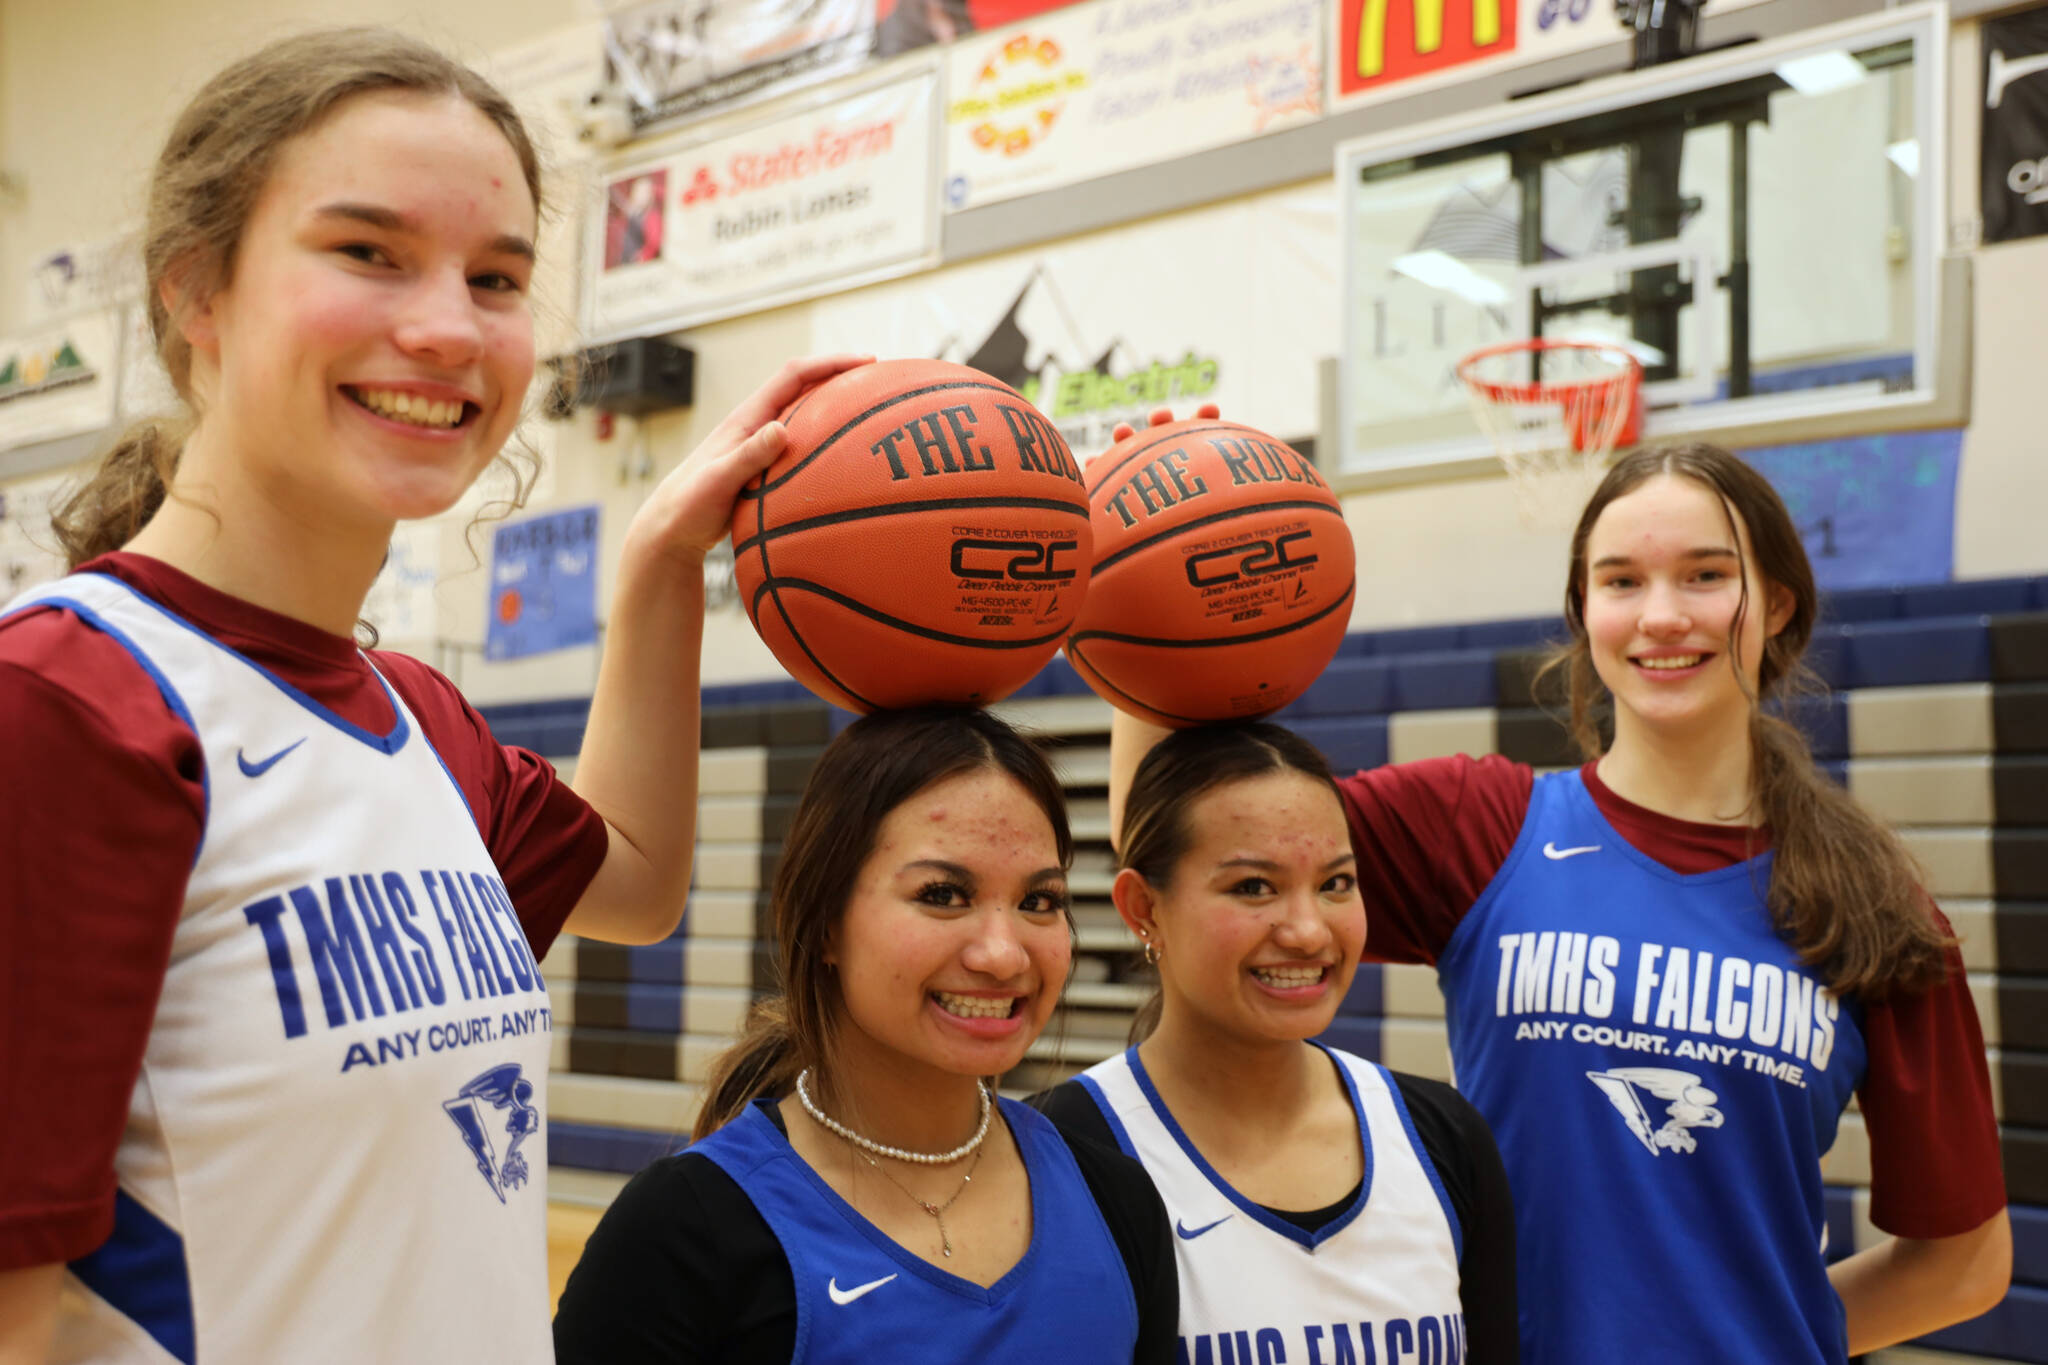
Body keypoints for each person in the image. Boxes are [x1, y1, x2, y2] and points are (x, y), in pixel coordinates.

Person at [0, 27, 866, 1363]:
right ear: (195, 293)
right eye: (368, 252)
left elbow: (631, 881)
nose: (450, 326)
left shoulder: (416, 718)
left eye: (499, 276)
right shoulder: (62, 708)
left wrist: (656, 561)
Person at [1106, 438, 2011, 1363]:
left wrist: (1758, 1335)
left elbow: (1966, 1259)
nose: (1662, 615)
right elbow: (1177, 839)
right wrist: (1136, 594)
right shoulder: (1482, 824)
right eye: (1621, 581)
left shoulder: (1866, 903)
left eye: (1704, 575)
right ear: (1584, 609)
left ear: (1774, 603)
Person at [553, 707, 1178, 1364]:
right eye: (942, 893)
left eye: (1039, 901)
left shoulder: (1116, 1199)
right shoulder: (681, 1236)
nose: (1004, 953)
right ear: (825, 923)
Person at [1035, 722, 1518, 1365]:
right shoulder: (1060, 1150)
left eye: (1335, 883)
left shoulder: (1442, 1135)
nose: (1308, 932)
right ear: (1143, 908)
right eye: (1253, 887)